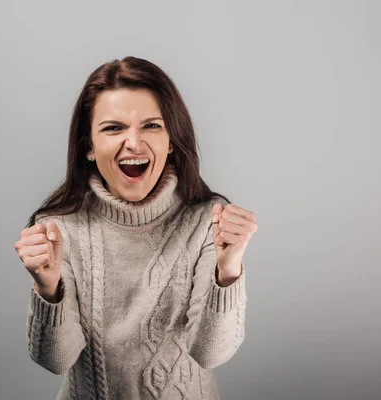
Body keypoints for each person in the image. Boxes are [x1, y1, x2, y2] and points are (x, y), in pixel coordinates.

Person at [14, 56, 258, 400]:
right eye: (113, 128)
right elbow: (55, 361)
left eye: (152, 126)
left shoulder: (207, 221)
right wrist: (48, 288)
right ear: (88, 146)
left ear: (171, 140)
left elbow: (211, 353)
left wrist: (229, 269)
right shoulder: (58, 228)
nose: (134, 143)